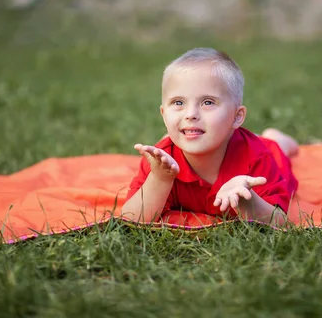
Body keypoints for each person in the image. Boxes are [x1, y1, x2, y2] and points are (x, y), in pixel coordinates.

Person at [121, 47, 299, 226]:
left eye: (208, 102)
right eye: (178, 102)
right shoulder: (161, 161)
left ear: (237, 117)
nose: (190, 114)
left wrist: (246, 198)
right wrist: (160, 179)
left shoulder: (258, 159)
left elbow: (280, 223)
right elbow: (130, 219)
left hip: (267, 152)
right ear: (163, 114)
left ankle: (277, 139)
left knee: (276, 149)